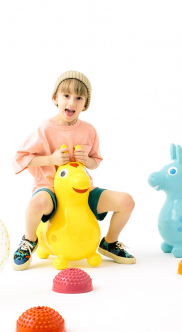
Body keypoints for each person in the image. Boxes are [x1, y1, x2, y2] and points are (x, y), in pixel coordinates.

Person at [12, 71, 135, 270]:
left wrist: (87, 160)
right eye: (66, 96)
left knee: (126, 201)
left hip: (81, 191)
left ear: (85, 104)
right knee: (36, 204)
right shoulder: (44, 128)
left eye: (79, 98)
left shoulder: (89, 130)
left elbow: (95, 162)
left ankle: (109, 243)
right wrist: (51, 159)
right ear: (56, 98)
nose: (72, 102)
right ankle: (29, 240)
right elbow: (21, 159)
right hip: (51, 189)